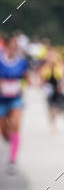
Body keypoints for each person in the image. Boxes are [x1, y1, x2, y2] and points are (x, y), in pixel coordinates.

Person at [0, 35, 29, 172]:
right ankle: (10, 139)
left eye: (16, 46)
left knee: (16, 126)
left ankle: (12, 160)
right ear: (6, 46)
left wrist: (23, 85)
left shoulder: (22, 62)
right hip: (1, 99)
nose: (13, 48)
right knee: (4, 131)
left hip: (16, 98)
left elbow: (26, 77)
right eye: (11, 46)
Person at [39, 48, 64, 131]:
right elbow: (42, 79)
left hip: (58, 89)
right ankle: (53, 124)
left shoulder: (60, 66)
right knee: (50, 107)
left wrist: (62, 85)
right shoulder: (45, 67)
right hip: (50, 89)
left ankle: (56, 116)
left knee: (59, 108)